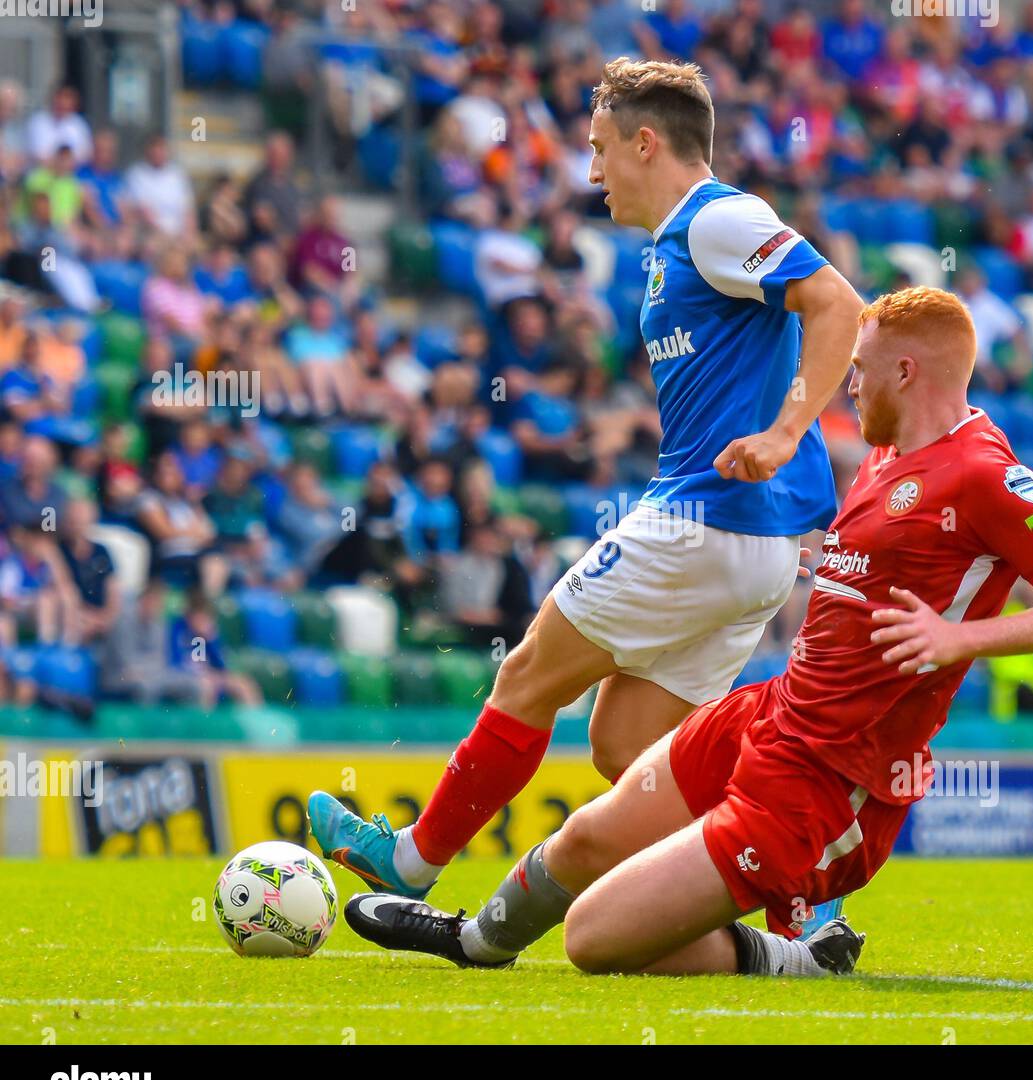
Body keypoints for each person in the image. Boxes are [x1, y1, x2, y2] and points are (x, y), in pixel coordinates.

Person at [343, 286, 1033, 978]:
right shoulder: (888, 456)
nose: (847, 380)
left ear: (906, 372)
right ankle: (474, 942)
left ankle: (800, 957)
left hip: (831, 778)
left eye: (860, 366)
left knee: (593, 937)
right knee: (584, 839)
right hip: (770, 714)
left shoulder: (984, 472)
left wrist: (959, 642)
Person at [309, 57, 863, 932]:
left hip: (707, 522)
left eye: (601, 149)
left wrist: (789, 431)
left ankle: (411, 858)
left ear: (648, 142)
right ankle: (804, 904)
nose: (592, 171)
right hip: (747, 544)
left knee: (529, 672)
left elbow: (837, 304)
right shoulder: (678, 242)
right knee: (629, 749)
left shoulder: (718, 219)